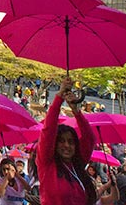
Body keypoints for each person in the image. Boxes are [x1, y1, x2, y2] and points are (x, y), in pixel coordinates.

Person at [36, 77, 97, 205]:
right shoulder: (47, 164)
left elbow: (89, 139)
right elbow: (48, 131)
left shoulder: (78, 165)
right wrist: (59, 97)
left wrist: (76, 111)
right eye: (62, 141)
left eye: (71, 142)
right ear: (55, 144)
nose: (66, 145)